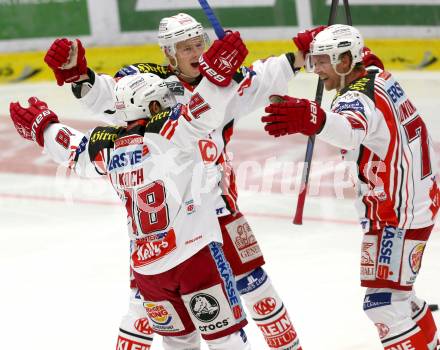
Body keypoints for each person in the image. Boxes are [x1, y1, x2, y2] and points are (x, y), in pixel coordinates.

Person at [43, 13, 305, 350]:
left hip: (219, 206)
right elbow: (113, 95)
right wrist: (81, 78)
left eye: (200, 43)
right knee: (146, 307)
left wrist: (304, 53)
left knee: (256, 285)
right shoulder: (151, 84)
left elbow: (264, 77)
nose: (196, 52)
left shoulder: (227, 80)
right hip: (169, 216)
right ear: (169, 54)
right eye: (186, 48)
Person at [10, 36, 257, 348]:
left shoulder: (109, 149)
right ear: (153, 106)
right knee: (228, 341)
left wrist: (43, 127)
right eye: (164, 99)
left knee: (179, 344)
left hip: (150, 272)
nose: (172, 101)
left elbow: (75, 150)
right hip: (196, 257)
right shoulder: (174, 132)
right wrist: (220, 75)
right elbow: (205, 108)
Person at [261, 24, 439, 350]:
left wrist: (313, 118)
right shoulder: (374, 74)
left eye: (324, 61)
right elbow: (369, 64)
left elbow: (350, 129)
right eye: (314, 60)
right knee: (400, 295)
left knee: (384, 305)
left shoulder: (356, 96)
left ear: (345, 61)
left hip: (396, 214)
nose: (316, 69)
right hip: (410, 201)